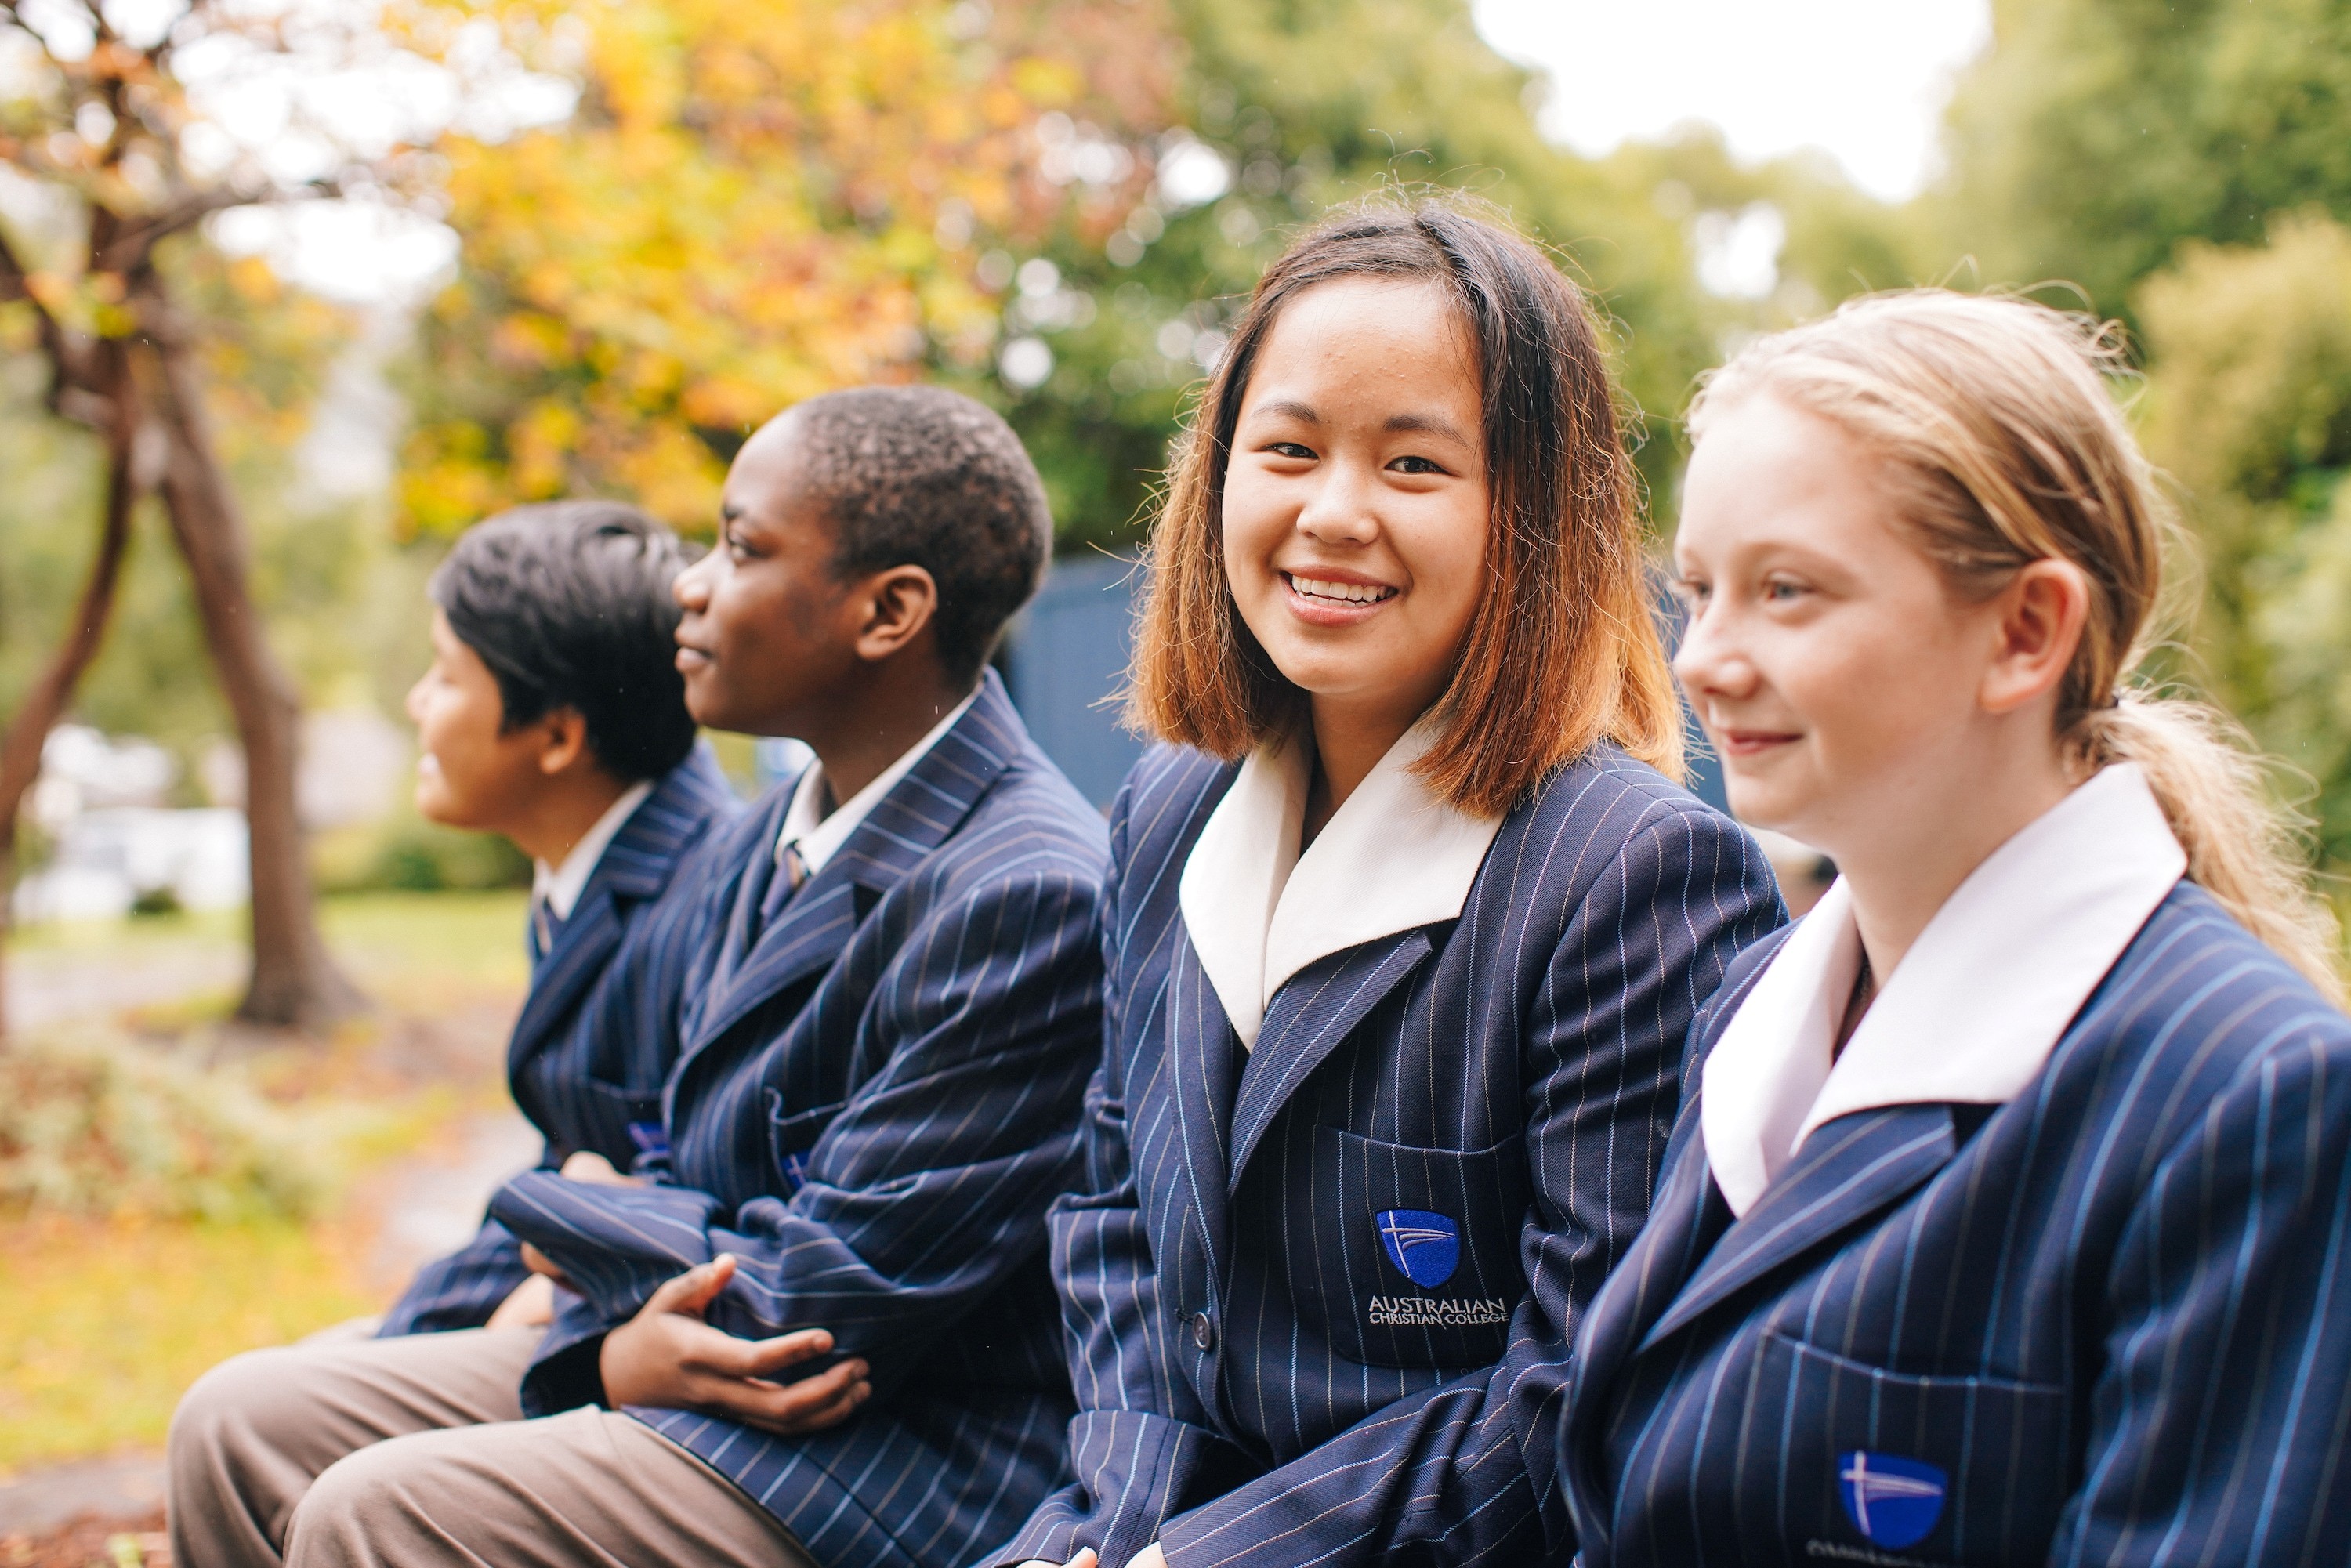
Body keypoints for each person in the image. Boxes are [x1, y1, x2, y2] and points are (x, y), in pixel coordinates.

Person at [167, 389, 1110, 1568]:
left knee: (376, 1510)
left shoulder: (1025, 893)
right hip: (694, 1344)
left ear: (889, 612)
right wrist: (616, 1251)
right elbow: (678, 1152)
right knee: (238, 1422)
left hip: (887, 1454)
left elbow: (819, 1303)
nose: (691, 584)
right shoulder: (768, 836)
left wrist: (576, 1214)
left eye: (743, 547)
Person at [993, 201, 1784, 1568]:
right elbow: (1113, 1221)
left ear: (1532, 515)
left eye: (1415, 465)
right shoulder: (1168, 811)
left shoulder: (1637, 875)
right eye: (1287, 449)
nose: (1332, 514)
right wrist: (1118, 1536)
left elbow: (1572, 1388)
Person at [1558, 292, 2351, 1565]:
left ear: (2026, 631)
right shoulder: (1748, 1005)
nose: (1705, 656)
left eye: (1788, 591)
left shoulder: (2253, 1094)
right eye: (1701, 589)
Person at [371, 500, 739, 1340]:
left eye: (446, 675)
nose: (415, 702)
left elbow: (686, 1193)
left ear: (559, 736)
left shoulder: (707, 902)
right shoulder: (587, 869)